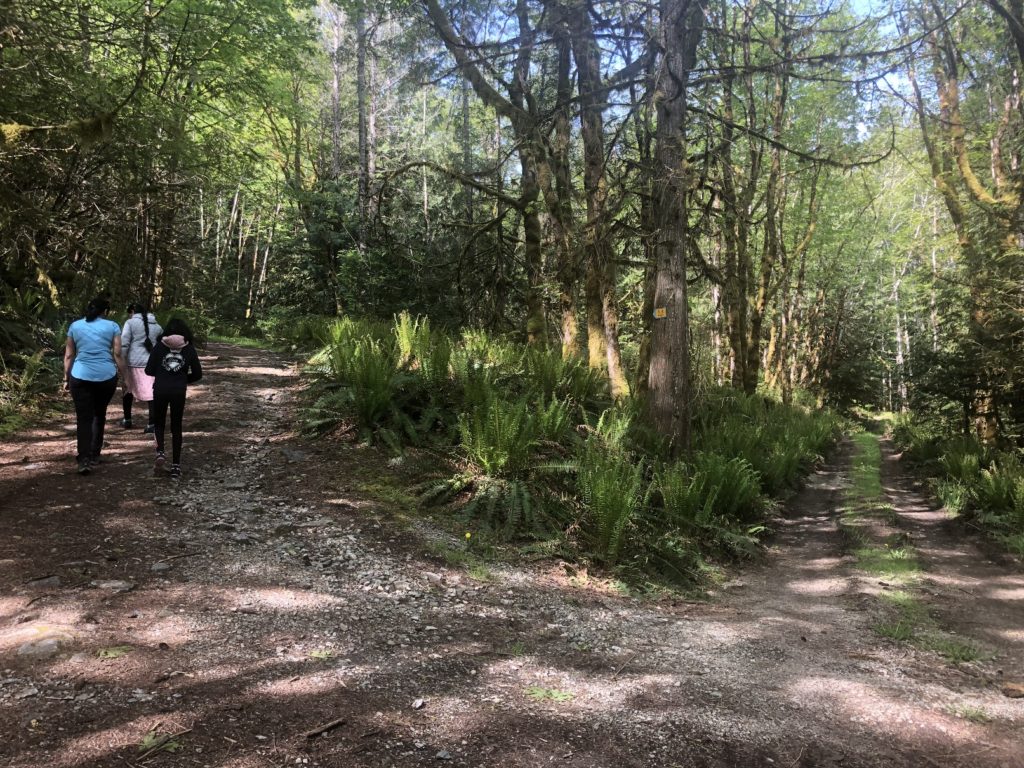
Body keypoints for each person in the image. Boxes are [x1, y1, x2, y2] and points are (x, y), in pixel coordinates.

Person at [64, 296, 125, 474]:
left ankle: (83, 459)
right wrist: (126, 377)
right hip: (106, 376)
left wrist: (66, 378)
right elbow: (118, 354)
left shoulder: (75, 326)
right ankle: (95, 454)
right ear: (105, 311)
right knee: (99, 414)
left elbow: (69, 355)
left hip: (80, 376)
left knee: (83, 418)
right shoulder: (113, 326)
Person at [145, 318, 202, 479]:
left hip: (160, 389)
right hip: (178, 391)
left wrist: (162, 374)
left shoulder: (159, 347)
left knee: (159, 423)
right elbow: (198, 374)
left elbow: (149, 370)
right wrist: (183, 379)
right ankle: (176, 466)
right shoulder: (189, 348)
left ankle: (160, 452)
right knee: (176, 426)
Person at [120, 302, 162, 431]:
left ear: (132, 311)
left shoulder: (130, 323)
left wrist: (121, 360)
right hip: (151, 363)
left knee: (128, 390)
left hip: (133, 362)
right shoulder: (158, 326)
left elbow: (124, 344)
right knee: (152, 393)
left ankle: (127, 419)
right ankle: (152, 423)